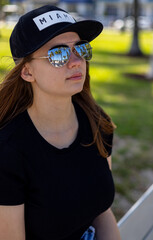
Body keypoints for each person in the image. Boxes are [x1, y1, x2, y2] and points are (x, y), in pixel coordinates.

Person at [0, 5, 121, 240]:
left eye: (81, 49)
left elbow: (101, 210)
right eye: (58, 54)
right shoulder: (8, 150)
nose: (76, 62)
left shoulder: (97, 122)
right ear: (27, 72)